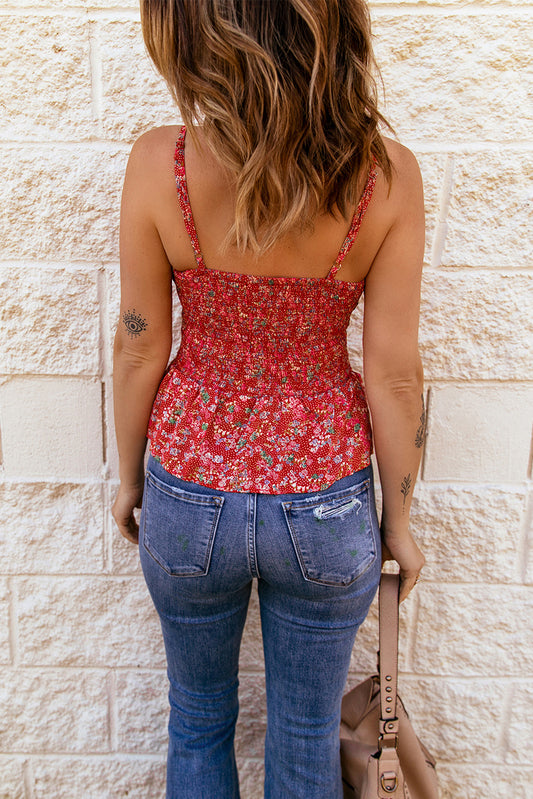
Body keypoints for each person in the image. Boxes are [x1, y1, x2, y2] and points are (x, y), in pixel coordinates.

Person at [112, 1, 426, 797]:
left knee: (198, 718)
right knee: (307, 730)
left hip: (187, 494)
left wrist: (129, 478)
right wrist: (400, 521)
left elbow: (140, 343)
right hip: (325, 507)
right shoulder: (384, 177)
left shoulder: (162, 163)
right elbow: (391, 372)